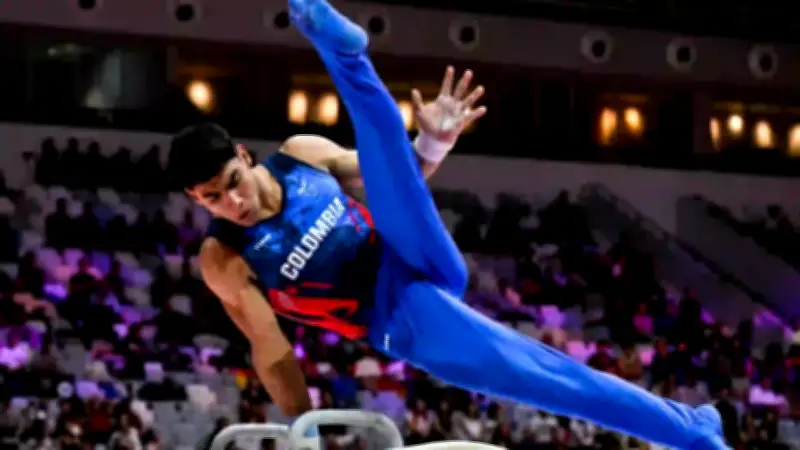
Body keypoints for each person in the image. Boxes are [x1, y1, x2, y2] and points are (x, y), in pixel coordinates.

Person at [165, 0, 729, 448]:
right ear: (197, 199)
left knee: (387, 157)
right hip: (396, 314)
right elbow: (272, 349)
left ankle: (339, 46)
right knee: (545, 377)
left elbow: (399, 177)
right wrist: (303, 428)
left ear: (243, 154)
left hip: (411, 247)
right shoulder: (225, 258)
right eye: (210, 200)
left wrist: (432, 143)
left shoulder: (300, 153)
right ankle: (692, 427)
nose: (230, 203)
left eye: (231, 182)